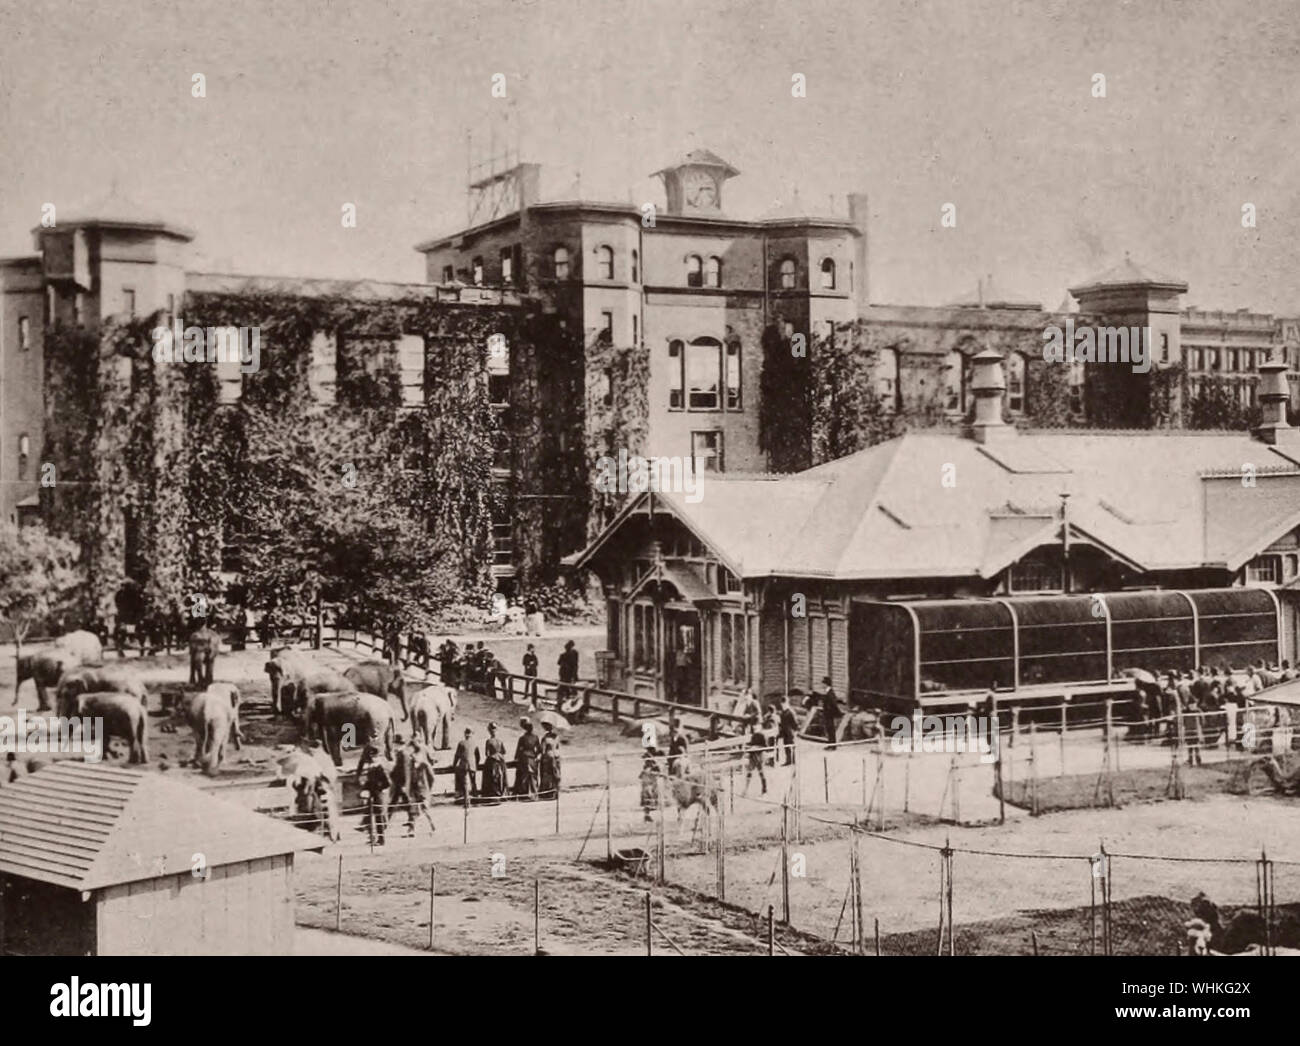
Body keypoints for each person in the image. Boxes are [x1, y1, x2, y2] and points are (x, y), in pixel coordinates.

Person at [357, 743, 393, 845]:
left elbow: (387, 783)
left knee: (379, 818)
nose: (373, 758)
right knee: (370, 816)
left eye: (374, 756)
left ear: (377, 756)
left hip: (379, 796)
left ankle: (381, 840)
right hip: (372, 795)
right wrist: (365, 789)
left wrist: (379, 789)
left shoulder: (380, 768)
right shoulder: (372, 767)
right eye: (372, 756)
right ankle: (373, 838)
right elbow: (369, 782)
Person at [513, 717, 541, 799]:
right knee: (532, 776)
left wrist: (516, 757)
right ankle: (533, 793)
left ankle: (525, 793)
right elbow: (539, 750)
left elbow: (518, 750)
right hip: (532, 758)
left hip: (524, 758)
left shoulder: (522, 738)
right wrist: (536, 755)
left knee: (524, 776)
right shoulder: (535, 737)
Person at [481, 722, 508, 799]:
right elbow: (504, 751)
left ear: (489, 731)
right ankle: (501, 792)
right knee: (501, 776)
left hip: (492, 761)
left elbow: (487, 753)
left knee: (491, 776)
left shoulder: (489, 741)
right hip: (500, 760)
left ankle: (491, 793)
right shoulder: (500, 741)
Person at [453, 728, 480, 801]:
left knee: (464, 781)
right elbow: (478, 756)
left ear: (465, 734)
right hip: (472, 765)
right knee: (473, 781)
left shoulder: (461, 743)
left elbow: (457, 756)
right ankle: (475, 795)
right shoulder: (475, 743)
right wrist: (476, 764)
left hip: (463, 765)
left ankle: (465, 796)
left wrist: (454, 764)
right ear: (471, 734)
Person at [744, 715, 769, 795]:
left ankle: (764, 789)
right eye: (753, 727)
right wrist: (749, 749)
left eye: (756, 727)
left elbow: (766, 747)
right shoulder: (754, 735)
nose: (755, 728)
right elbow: (751, 744)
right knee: (749, 772)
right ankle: (746, 790)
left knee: (761, 772)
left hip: (760, 755)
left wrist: (757, 747)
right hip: (753, 755)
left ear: (760, 726)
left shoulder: (762, 735)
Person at [539, 721, 562, 799]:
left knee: (547, 774)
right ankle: (555, 792)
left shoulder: (545, 738)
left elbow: (542, 750)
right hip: (556, 755)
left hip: (548, 756)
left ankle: (547, 792)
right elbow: (558, 747)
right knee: (556, 774)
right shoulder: (557, 737)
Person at [817, 676, 842, 746]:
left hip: (829, 714)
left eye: (823, 683)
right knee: (828, 729)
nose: (822, 685)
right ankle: (830, 744)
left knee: (831, 729)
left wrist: (833, 712)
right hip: (827, 714)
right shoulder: (827, 692)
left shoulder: (830, 693)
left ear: (826, 684)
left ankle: (832, 745)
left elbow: (833, 704)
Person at [640, 747, 661, 822]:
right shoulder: (647, 767)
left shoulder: (654, 765)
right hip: (648, 784)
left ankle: (647, 815)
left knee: (651, 797)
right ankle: (647, 815)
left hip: (652, 783)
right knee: (648, 797)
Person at [777, 695, 799, 766]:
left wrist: (795, 731)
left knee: (792, 746)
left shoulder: (790, 712)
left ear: (787, 703)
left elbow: (795, 723)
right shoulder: (783, 713)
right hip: (785, 732)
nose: (783, 705)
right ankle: (788, 760)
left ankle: (794, 761)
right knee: (786, 746)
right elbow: (781, 722)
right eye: (782, 704)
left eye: (784, 704)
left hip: (790, 732)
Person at [557, 640, 579, 706]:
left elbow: (558, 663)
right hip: (569, 673)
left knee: (563, 687)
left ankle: (563, 699)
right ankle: (571, 698)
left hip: (563, 673)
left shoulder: (563, 655)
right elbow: (575, 664)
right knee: (570, 686)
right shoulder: (573, 654)